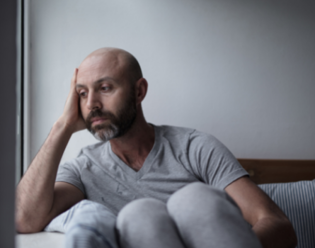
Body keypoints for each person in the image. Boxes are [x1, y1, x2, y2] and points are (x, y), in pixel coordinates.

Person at [16, 48, 297, 248]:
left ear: (139, 92)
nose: (91, 104)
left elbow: (276, 224)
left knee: (193, 200)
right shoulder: (84, 168)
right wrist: (62, 126)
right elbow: (24, 218)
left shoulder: (194, 148)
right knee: (140, 216)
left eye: (105, 87)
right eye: (82, 93)